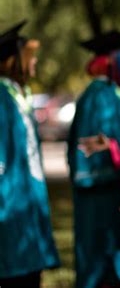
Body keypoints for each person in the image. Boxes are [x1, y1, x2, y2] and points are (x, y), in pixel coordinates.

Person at [67, 30, 120, 288]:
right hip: (103, 196)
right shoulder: (101, 96)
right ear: (112, 63)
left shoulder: (107, 94)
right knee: (101, 263)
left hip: (109, 194)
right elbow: (102, 144)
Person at [0, 21, 60, 287]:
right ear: (14, 61)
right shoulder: (1, 98)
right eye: (30, 58)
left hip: (26, 203)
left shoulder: (18, 96)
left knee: (28, 275)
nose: (34, 64)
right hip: (9, 204)